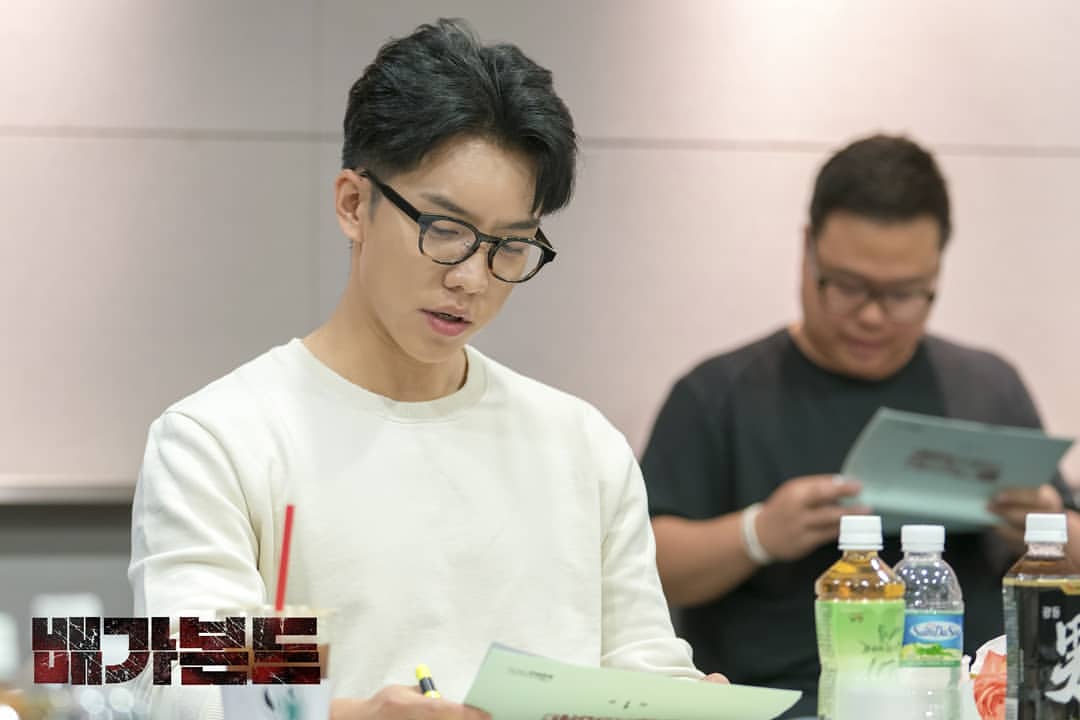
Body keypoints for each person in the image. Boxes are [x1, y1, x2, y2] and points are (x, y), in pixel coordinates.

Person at [130, 19, 721, 720]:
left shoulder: (580, 446)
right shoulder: (224, 437)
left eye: (510, 245)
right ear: (354, 204)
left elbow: (643, 666)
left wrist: (682, 704)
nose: (473, 278)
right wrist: (358, 716)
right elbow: (177, 690)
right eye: (445, 230)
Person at [641, 134, 1076, 718]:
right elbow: (644, 569)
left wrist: (1045, 527)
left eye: (903, 295)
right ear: (807, 252)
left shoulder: (987, 387)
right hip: (781, 704)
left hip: (964, 702)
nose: (871, 316)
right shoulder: (717, 394)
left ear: (936, 272)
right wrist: (757, 534)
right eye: (847, 287)